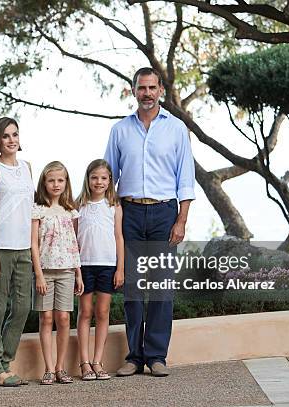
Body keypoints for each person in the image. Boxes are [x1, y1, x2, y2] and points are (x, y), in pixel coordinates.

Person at [104, 67, 196, 377]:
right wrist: (110, 220)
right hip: (129, 213)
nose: (147, 93)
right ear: (133, 91)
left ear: (161, 91)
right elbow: (108, 179)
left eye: (152, 87)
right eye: (142, 88)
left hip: (163, 213)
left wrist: (181, 220)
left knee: (160, 288)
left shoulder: (176, 129)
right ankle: (133, 356)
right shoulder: (120, 130)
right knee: (131, 287)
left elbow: (186, 178)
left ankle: (156, 356)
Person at [0, 117, 34, 387]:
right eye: (6, 136)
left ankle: (5, 361)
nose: (12, 140)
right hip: (0, 247)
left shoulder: (27, 168)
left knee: (23, 306)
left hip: (24, 248)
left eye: (15, 134)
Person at [31, 161, 84, 385]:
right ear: (44, 182)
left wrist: (78, 274)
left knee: (63, 318)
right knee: (46, 319)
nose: (56, 184)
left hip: (67, 271)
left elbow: (74, 244)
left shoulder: (71, 211)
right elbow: (33, 244)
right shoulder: (38, 209)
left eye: (60, 180)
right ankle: (49, 368)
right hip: (45, 271)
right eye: (51, 180)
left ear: (66, 183)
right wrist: (39, 274)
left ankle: (61, 368)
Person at [75, 159, 124, 381]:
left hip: (107, 265)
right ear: (88, 179)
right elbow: (73, 239)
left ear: (110, 181)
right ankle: (84, 363)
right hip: (84, 265)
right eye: (94, 177)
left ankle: (98, 361)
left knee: (102, 312)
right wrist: (75, 270)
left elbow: (118, 237)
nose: (99, 182)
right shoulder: (79, 205)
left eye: (104, 178)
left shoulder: (114, 206)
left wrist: (120, 268)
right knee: (85, 312)